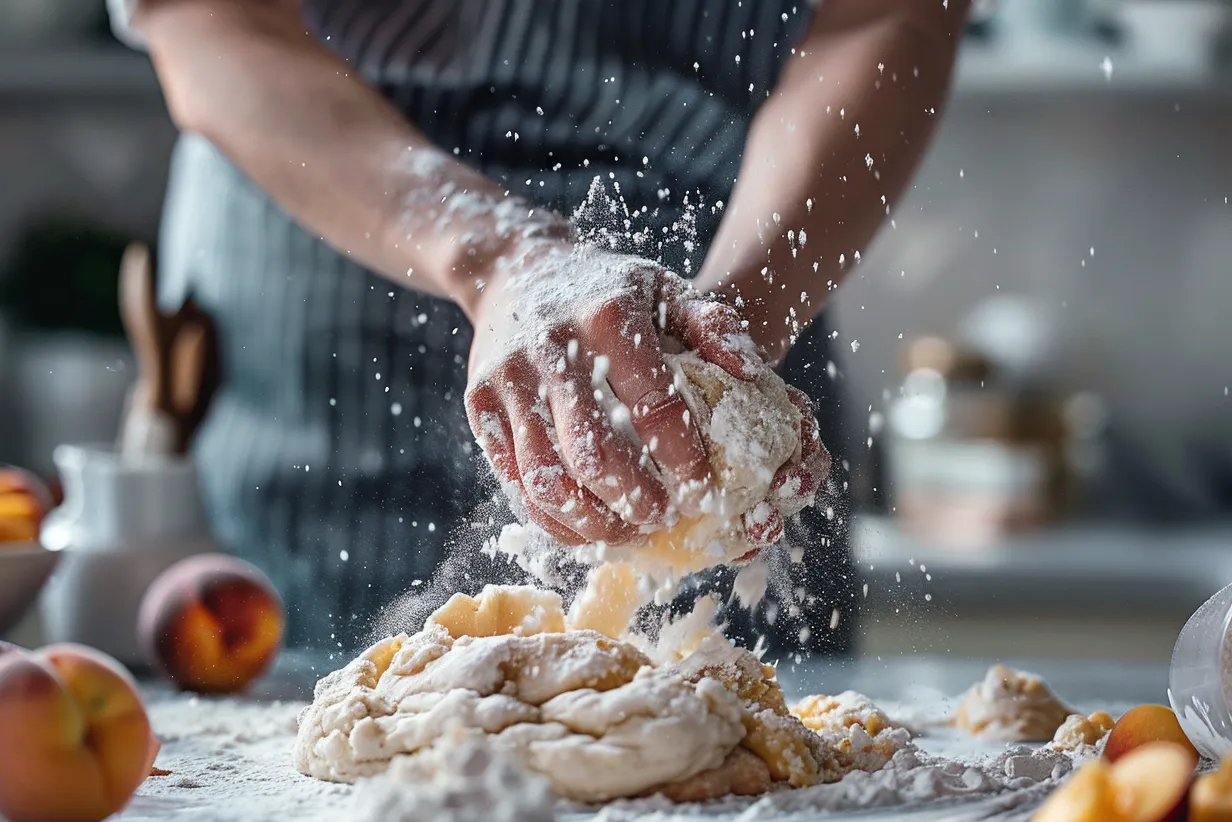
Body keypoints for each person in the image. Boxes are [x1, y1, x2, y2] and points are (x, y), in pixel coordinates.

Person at [108, 0, 969, 653]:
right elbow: (210, 19)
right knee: (307, 782)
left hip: (743, 236)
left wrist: (733, 329)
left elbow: (886, 14)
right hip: (332, 249)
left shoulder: (735, 318)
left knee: (737, 776)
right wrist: (496, 255)